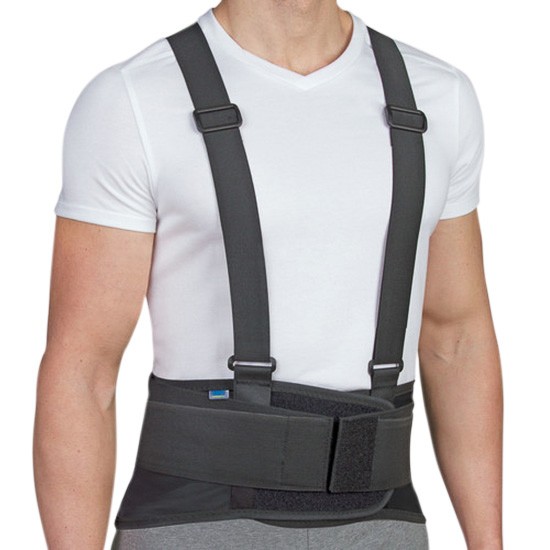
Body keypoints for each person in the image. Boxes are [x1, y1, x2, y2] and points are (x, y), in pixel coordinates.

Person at [33, 1, 503, 549]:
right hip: (195, 525)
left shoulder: (436, 96)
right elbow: (83, 368)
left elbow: (456, 340)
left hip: (384, 524)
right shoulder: (133, 98)